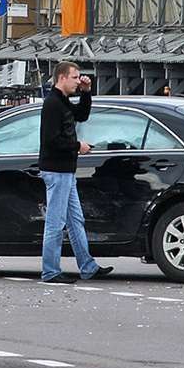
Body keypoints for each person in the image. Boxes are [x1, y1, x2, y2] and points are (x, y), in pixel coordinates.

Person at [38, 61, 112, 283]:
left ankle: (87, 266)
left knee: (75, 220)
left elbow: (82, 115)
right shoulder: (52, 104)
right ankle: (50, 271)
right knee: (56, 222)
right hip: (56, 170)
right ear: (61, 78)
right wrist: (77, 146)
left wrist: (86, 92)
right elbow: (50, 140)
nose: (78, 81)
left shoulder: (63, 101)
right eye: (74, 77)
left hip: (66, 171)